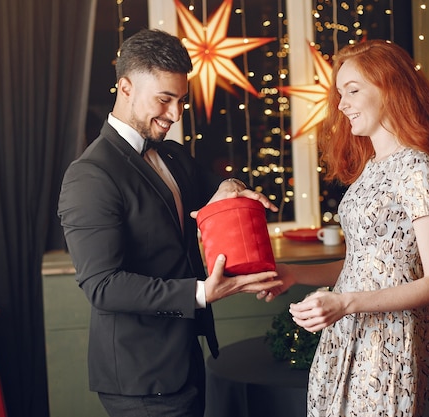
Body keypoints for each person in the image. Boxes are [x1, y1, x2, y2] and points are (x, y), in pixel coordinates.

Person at [58, 28, 281, 417]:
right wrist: (200, 293)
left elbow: (218, 192)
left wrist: (233, 186)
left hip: (187, 360)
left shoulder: (174, 156)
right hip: (139, 376)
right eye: (164, 100)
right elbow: (102, 286)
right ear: (125, 87)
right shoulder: (90, 175)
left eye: (181, 101)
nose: (175, 115)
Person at [259, 40, 429, 416]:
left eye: (353, 91)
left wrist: (344, 303)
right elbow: (368, 264)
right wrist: (294, 273)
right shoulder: (370, 168)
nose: (342, 105)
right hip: (351, 331)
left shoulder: (417, 168)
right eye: (340, 93)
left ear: (392, 90)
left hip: (395, 337)